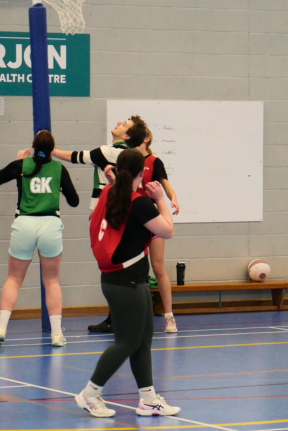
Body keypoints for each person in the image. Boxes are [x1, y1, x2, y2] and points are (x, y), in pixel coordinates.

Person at [74, 149, 180, 418]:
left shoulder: (111, 193)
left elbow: (117, 193)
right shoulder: (141, 203)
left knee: (143, 339)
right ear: (142, 173)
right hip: (124, 282)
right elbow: (167, 230)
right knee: (126, 342)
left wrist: (111, 180)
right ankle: (89, 393)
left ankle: (148, 399)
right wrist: (160, 199)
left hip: (130, 280)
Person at [51, 116, 148, 333]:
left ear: (127, 136)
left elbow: (78, 157)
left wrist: (51, 150)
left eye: (124, 125)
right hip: (118, 209)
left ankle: (123, 317)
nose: (119, 122)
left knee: (112, 260)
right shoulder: (122, 154)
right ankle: (118, 317)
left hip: (114, 211)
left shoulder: (110, 152)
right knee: (121, 258)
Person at [0, 131, 79, 347]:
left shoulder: (21, 166)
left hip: (25, 223)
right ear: (52, 149)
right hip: (50, 224)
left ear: (33, 145)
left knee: (14, 279)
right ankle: (56, 334)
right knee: (52, 281)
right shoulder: (59, 168)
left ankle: (0, 328)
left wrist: (18, 164)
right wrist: (59, 187)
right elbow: (74, 201)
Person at [137, 128, 180, 333]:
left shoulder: (154, 162)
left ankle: (169, 316)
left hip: (151, 217)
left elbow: (166, 184)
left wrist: (172, 197)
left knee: (158, 267)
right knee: (135, 270)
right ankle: (138, 317)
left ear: (145, 139)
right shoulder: (126, 159)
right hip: (133, 219)